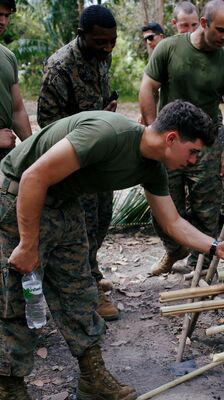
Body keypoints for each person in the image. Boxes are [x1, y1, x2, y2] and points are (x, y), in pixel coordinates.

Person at [0, 100, 224, 399]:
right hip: (18, 194)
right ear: (171, 138)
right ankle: (8, 387)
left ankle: (92, 378)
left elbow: (173, 222)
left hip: (63, 202)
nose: (193, 162)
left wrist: (216, 246)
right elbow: (34, 176)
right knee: (17, 296)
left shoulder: (153, 168)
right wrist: (27, 244)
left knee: (80, 291)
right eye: (193, 152)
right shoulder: (107, 134)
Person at [139, 0, 224, 275]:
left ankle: (203, 266)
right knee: (162, 201)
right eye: (220, 29)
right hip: (169, 140)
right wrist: (152, 130)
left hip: (207, 144)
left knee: (206, 207)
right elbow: (147, 87)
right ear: (204, 24)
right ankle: (174, 251)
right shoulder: (169, 48)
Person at [37, 4, 120, 320]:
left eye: (112, 41)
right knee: (81, 228)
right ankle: (87, 291)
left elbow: (96, 99)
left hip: (99, 156)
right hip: (74, 159)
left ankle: (92, 271)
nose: (108, 48)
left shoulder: (102, 55)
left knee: (101, 219)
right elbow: (48, 124)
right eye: (101, 42)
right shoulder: (59, 68)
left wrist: (105, 110)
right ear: (81, 35)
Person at [0, 0, 32, 160]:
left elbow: (17, 111)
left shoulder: (8, 57)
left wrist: (32, 150)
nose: (3, 22)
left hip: (4, 156)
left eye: (6, 16)